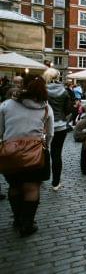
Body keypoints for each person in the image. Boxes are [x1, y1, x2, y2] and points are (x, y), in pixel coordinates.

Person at [0, 75, 54, 237]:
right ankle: (27, 224)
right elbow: (50, 133)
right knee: (32, 187)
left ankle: (17, 218)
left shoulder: (7, 105)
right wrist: (45, 147)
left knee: (15, 186)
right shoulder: (45, 108)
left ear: (23, 86)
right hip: (35, 153)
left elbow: (1, 130)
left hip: (11, 151)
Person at [43, 68, 70, 191]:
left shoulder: (42, 90)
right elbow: (68, 109)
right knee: (56, 154)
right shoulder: (64, 91)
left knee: (41, 152)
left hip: (43, 126)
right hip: (60, 125)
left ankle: (41, 177)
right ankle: (55, 183)